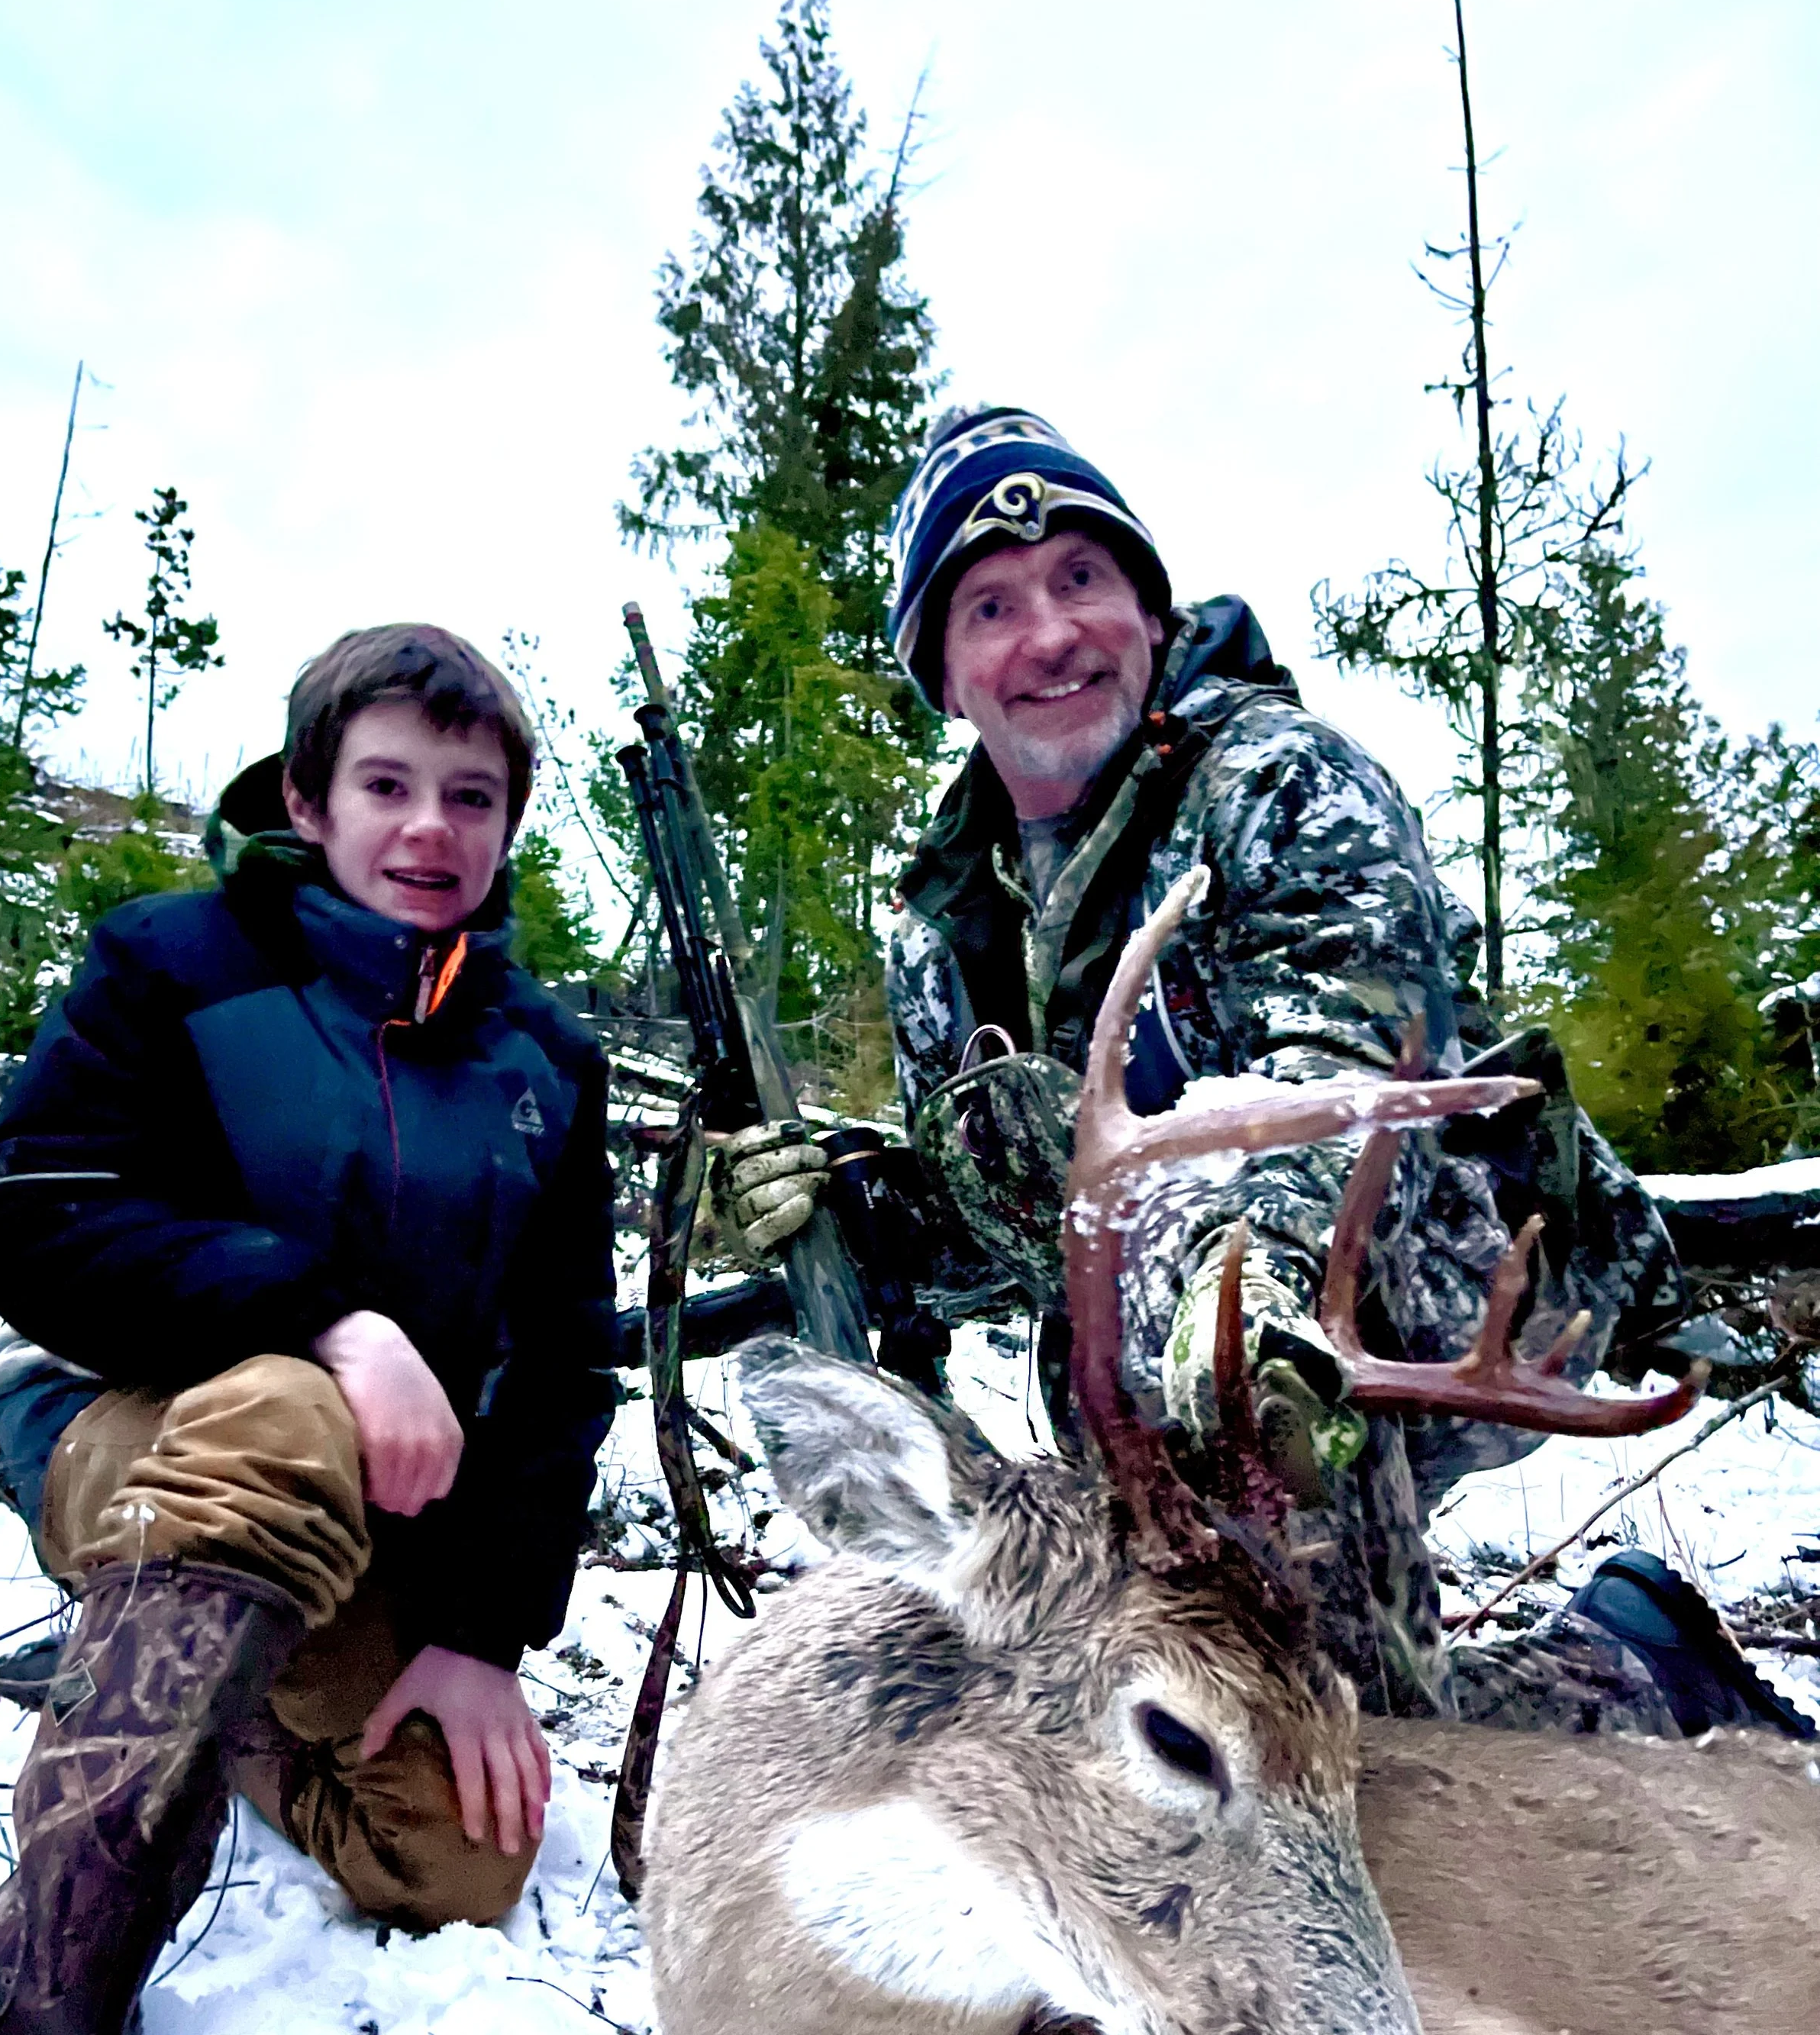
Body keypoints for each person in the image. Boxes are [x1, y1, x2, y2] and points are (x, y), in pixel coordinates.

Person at [721, 405, 1809, 1744]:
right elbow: (1003, 1220)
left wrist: (1252, 1276)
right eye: (992, 606)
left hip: (1415, 1282)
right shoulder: (944, 927)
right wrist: (846, 1208)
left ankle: (1626, 1687)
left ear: (1151, 611)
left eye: (1082, 579)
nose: (1051, 633)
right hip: (1151, 1366)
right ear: (945, 676)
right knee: (1231, 1731)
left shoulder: (1284, 783)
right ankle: (1610, 1650)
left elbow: (1359, 1072)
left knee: (1351, 1762)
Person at [0, 625, 616, 2035]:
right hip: (125, 1434)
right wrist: (324, 1314)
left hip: (359, 1516)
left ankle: (207, 1708)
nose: (428, 828)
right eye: (385, 784)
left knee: (457, 1856)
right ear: (307, 798)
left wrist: (476, 1636)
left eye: (471, 797)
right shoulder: (175, 963)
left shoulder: (542, 1061)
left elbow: (562, 1367)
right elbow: (39, 1212)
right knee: (298, 1414)